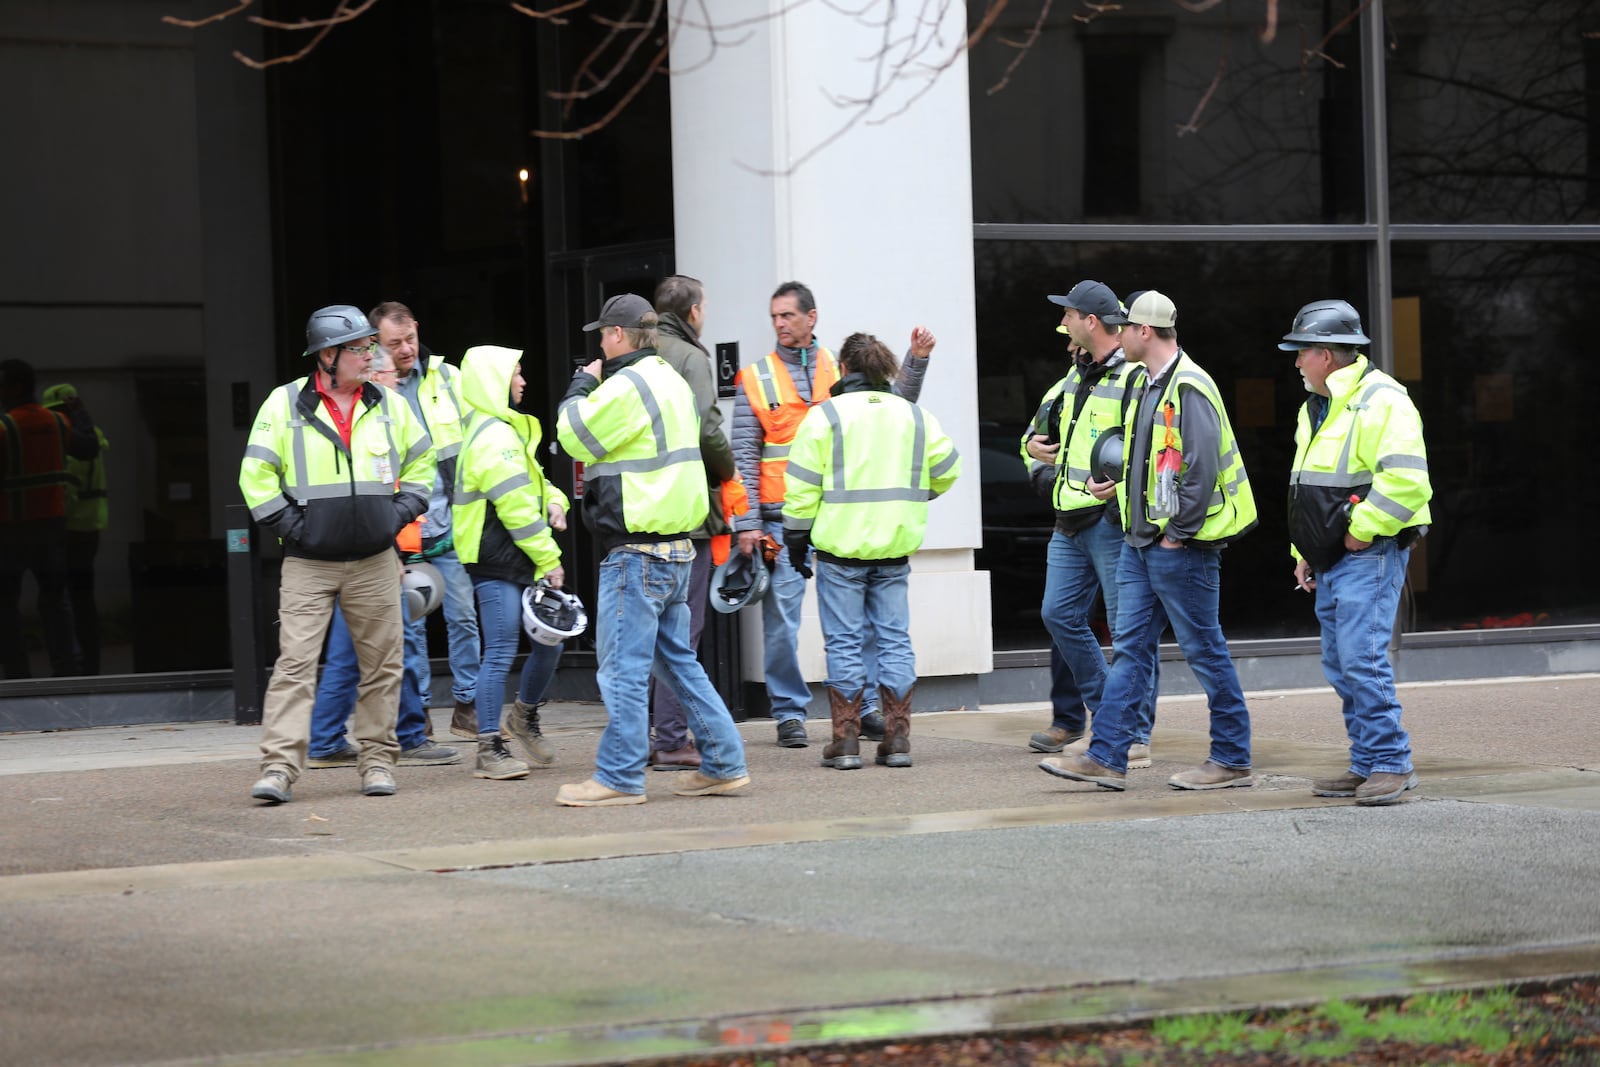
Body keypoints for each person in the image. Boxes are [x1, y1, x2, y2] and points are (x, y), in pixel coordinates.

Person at [1039, 291, 1257, 792]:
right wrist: (1113, 491)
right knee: (1132, 651)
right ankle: (1108, 755)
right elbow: (1150, 462)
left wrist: (1176, 538)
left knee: (1204, 650)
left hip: (1182, 548)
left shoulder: (1189, 387)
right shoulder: (1147, 384)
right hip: (1142, 542)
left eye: (1126, 327)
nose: (1119, 334)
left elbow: (1199, 474)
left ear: (1144, 332)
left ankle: (1232, 757)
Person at [555, 294, 750, 806]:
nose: (599, 343)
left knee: (621, 669)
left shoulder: (626, 385)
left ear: (618, 335)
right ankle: (725, 762)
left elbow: (574, 435)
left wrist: (582, 384)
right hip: (677, 549)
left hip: (635, 552)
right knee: (678, 663)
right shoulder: (668, 378)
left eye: (602, 334)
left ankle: (618, 777)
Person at [238, 305, 434, 804]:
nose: (372, 354)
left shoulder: (389, 404)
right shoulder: (282, 405)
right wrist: (293, 528)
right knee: (295, 666)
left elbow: (422, 462)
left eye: (372, 345)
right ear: (328, 355)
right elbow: (255, 477)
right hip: (308, 562)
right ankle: (279, 768)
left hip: (373, 559)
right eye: (360, 347)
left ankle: (376, 762)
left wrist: (395, 516)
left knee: (384, 665)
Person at [732, 280, 933, 747]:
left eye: (788, 315)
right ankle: (788, 712)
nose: (780, 324)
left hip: (838, 517)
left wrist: (916, 360)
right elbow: (744, 452)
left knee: (854, 623)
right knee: (783, 620)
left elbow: (895, 406)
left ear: (811, 317)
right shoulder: (756, 377)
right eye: (775, 317)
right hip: (779, 520)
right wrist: (747, 523)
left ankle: (860, 713)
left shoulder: (838, 368)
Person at [782, 332, 961, 769]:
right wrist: (912, 499)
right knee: (895, 640)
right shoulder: (914, 416)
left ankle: (845, 741)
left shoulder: (826, 417)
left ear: (844, 368)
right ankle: (898, 738)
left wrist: (794, 540)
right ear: (884, 370)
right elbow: (947, 470)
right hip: (894, 550)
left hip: (840, 553)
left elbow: (801, 488)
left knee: (844, 642)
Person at [1282, 299, 1433, 806]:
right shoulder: (1319, 406)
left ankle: (1391, 763)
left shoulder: (1382, 399)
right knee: (1341, 661)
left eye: (1301, 351)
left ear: (1325, 354)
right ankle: (1368, 761)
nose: (1297, 361)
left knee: (1361, 659)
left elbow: (1408, 482)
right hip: (1333, 557)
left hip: (1367, 553)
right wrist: (1306, 550)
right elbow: (1311, 488)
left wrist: (1360, 532)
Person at [304, 344, 460, 771]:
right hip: (380, 557)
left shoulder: (375, 424)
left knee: (349, 653)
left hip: (368, 553)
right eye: (384, 372)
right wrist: (394, 553)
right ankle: (408, 736)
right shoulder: (378, 427)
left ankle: (325, 739)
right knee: (397, 649)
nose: (390, 379)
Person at [1022, 281, 1157, 769]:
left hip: (1113, 524)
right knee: (1058, 615)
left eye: (1070, 315)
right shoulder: (1073, 377)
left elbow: (1157, 450)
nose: (1064, 323)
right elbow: (1034, 435)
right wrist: (1033, 451)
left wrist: (1121, 491)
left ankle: (1132, 736)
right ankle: (1110, 718)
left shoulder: (1136, 377)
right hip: (1070, 520)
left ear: (1092, 321)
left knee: (1128, 632)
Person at [454, 344, 573, 781]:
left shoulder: (507, 431)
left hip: (516, 556)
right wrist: (550, 560)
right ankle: (489, 747)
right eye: (516, 374)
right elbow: (517, 510)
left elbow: (536, 487)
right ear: (494, 382)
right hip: (497, 560)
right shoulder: (494, 436)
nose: (523, 381)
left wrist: (557, 502)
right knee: (502, 648)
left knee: (551, 642)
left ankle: (522, 718)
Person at [371, 302, 482, 740]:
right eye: (393, 343)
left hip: (450, 521)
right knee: (410, 630)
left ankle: (467, 706)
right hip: (401, 527)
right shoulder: (372, 388)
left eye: (409, 339)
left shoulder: (447, 378)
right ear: (377, 343)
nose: (405, 350)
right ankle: (418, 714)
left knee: (463, 617)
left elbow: (477, 439)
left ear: (417, 329)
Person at [647, 275, 737, 772]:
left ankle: (643, 734)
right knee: (683, 628)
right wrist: (726, 470)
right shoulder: (690, 358)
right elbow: (708, 427)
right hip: (688, 510)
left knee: (642, 629)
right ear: (693, 312)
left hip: (639, 511)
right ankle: (672, 737)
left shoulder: (634, 354)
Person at [1, 359, 96, 679]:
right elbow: (88, 448)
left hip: (12, 528)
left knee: (6, 606)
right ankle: (66, 670)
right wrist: (79, 411)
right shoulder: (58, 422)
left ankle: (16, 676)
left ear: (13, 387)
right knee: (56, 601)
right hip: (52, 526)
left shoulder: (4, 427)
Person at [41, 384, 108, 675]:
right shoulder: (92, 440)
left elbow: (66, 493)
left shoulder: (69, 448)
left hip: (68, 531)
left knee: (63, 600)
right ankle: (91, 664)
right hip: (90, 527)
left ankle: (72, 668)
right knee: (83, 599)